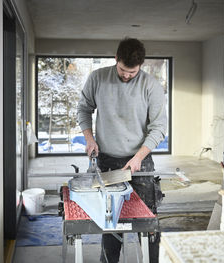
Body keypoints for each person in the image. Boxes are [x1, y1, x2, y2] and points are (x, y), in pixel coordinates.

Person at [77, 37, 167, 263]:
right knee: (111, 223)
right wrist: (89, 139)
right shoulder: (97, 78)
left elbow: (159, 128)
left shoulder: (151, 86)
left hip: (140, 161)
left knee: (148, 224)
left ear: (142, 66)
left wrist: (138, 157)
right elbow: (83, 110)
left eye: (133, 72)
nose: (127, 76)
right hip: (106, 160)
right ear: (115, 58)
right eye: (123, 70)